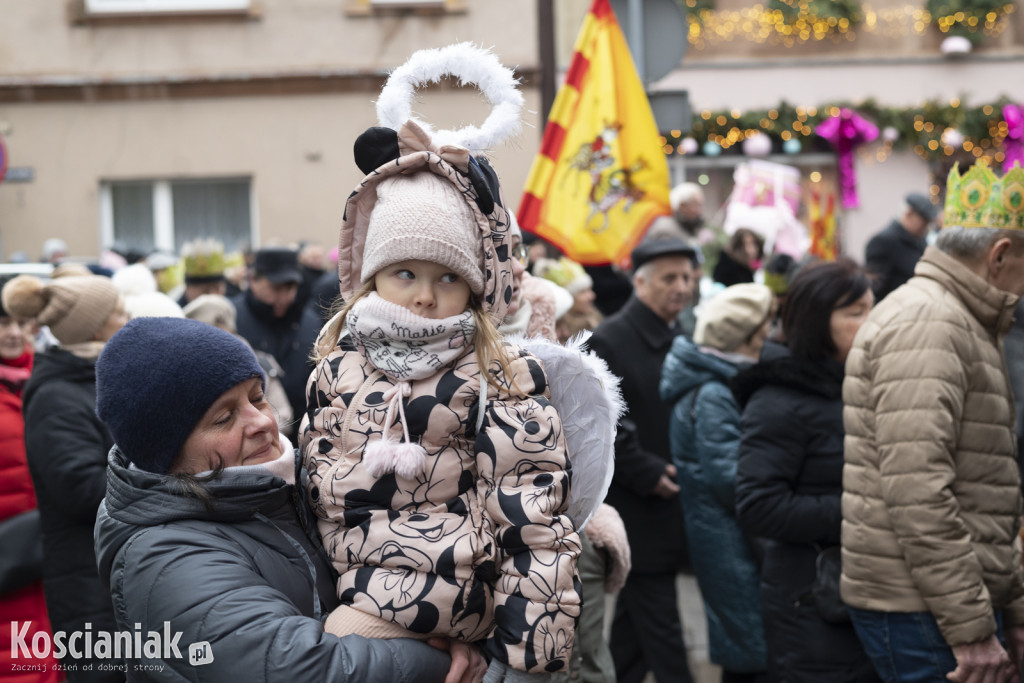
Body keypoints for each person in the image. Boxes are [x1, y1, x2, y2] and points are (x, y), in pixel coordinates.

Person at [302, 115, 581, 680]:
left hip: (457, 605)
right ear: (371, 277)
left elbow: (534, 522)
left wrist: (526, 663)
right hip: (352, 590)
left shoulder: (498, 374)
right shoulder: (336, 366)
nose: (425, 297)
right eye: (404, 272)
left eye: (448, 279)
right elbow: (315, 494)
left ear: (474, 288)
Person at [91, 317, 482, 683]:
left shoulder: (294, 483)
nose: (262, 421)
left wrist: (444, 619)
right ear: (166, 452)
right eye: (224, 418)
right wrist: (438, 659)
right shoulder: (164, 557)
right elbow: (295, 668)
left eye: (257, 398)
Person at [841, 161, 1024, 683]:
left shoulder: (958, 316)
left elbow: (980, 482)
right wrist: (971, 628)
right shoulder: (932, 323)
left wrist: (1009, 607)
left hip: (938, 602)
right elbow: (920, 492)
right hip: (924, 611)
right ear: (1000, 256)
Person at [732, 259, 877, 683]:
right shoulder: (778, 399)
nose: (871, 323)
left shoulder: (857, 383)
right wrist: (862, 510)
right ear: (816, 321)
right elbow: (759, 505)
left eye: (873, 308)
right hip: (811, 599)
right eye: (855, 313)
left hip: (861, 590)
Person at [499, 225, 630, 683]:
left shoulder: (541, 312)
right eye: (499, 250)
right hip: (494, 559)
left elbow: (576, 439)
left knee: (585, 663)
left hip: (566, 539)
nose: (517, 263)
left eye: (518, 249)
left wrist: (589, 514)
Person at [2, 273, 129, 682]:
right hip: (86, 575)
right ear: (92, 325)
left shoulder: (98, 378)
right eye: (116, 311)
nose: (126, 316)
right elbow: (80, 489)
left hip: (108, 565)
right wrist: (160, 478)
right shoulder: (58, 394)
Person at [587, 237, 698, 683]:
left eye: (688, 277)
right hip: (638, 502)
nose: (682, 287)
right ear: (640, 282)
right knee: (662, 625)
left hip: (669, 498)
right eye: (670, 278)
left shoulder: (679, 334)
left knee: (635, 633)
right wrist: (647, 471)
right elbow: (603, 423)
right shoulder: (610, 338)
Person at [661, 283, 774, 683]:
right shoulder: (713, 393)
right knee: (748, 646)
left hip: (724, 533)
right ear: (745, 338)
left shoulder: (716, 382)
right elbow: (728, 478)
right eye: (765, 329)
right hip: (728, 538)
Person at [0, 301, 58, 683]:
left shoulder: (44, 378)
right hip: (8, 561)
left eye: (21, 322)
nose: (14, 332)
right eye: (3, 323)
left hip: (49, 557)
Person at [232, 246, 321, 441]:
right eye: (277, 287)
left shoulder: (310, 322)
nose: (286, 296)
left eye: (291, 288)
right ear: (253, 280)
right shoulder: (233, 321)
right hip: (252, 441)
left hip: (304, 439)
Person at [183, 293, 294, 429]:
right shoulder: (189, 374)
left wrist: (256, 431)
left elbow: (283, 414)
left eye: (217, 332)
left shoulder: (258, 363)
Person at [864, 191, 937, 302]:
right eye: (924, 221)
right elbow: (875, 289)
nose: (926, 226)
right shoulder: (882, 242)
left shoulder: (920, 240)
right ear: (909, 213)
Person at [176, 238, 228, 308]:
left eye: (217, 288)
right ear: (187, 290)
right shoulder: (175, 314)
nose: (213, 296)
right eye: (205, 291)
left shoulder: (233, 312)